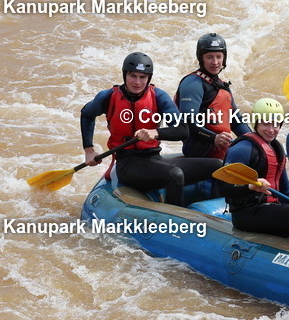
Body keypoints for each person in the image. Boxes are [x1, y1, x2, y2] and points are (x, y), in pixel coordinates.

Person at [80, 52, 220, 207]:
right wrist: (89, 149)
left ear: (149, 78)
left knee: (217, 166)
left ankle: (218, 217)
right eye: (133, 76)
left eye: (143, 77)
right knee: (175, 175)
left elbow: (183, 130)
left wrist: (156, 133)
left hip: (153, 159)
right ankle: (176, 224)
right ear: (125, 75)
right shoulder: (108, 97)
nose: (137, 82)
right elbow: (86, 114)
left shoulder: (158, 96)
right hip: (127, 163)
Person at [219, 98, 289, 239]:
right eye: (266, 123)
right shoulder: (241, 150)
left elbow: (286, 190)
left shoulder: (276, 148)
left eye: (276, 124)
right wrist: (250, 186)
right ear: (256, 122)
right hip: (246, 214)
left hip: (270, 207)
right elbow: (224, 188)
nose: (271, 129)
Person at [174, 32, 251, 159]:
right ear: (201, 58)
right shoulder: (193, 83)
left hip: (221, 153)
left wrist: (254, 141)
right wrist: (214, 138)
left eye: (218, 56)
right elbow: (188, 122)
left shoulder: (223, 87)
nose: (215, 62)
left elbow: (237, 122)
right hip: (199, 154)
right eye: (209, 57)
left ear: (224, 58)